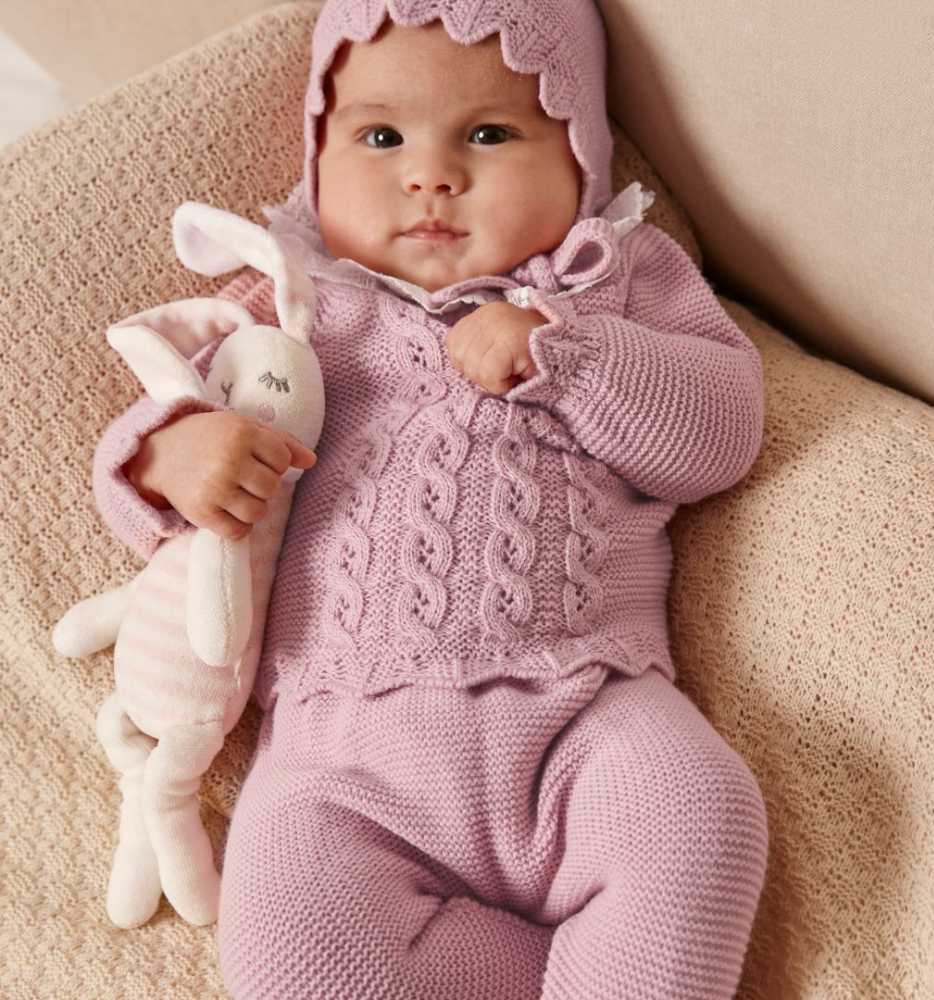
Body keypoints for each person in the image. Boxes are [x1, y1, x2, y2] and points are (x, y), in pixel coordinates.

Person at [92, 1, 770, 997]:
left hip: (583, 713)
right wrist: (167, 457)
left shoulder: (607, 282)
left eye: (489, 134)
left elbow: (719, 432)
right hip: (340, 760)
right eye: (379, 137)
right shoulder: (288, 305)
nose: (430, 175)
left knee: (701, 811)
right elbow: (149, 443)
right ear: (316, 157)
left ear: (581, 155)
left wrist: (565, 358)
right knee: (289, 959)